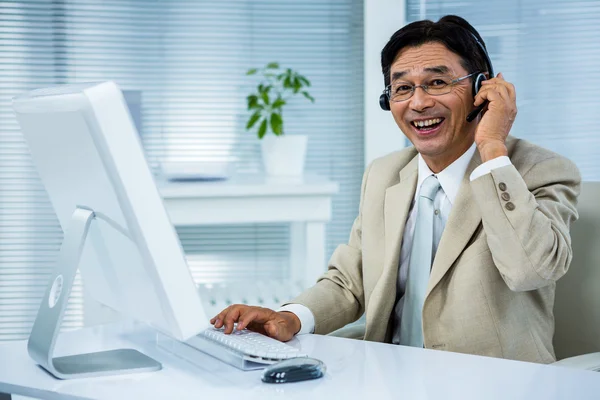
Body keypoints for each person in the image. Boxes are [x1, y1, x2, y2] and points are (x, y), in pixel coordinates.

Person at [210, 15, 581, 363]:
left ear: (482, 89)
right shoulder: (384, 173)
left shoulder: (537, 170)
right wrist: (288, 317)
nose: (419, 103)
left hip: (490, 382)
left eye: (438, 82)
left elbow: (529, 271)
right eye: (403, 88)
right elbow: (348, 282)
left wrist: (492, 148)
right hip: (389, 376)